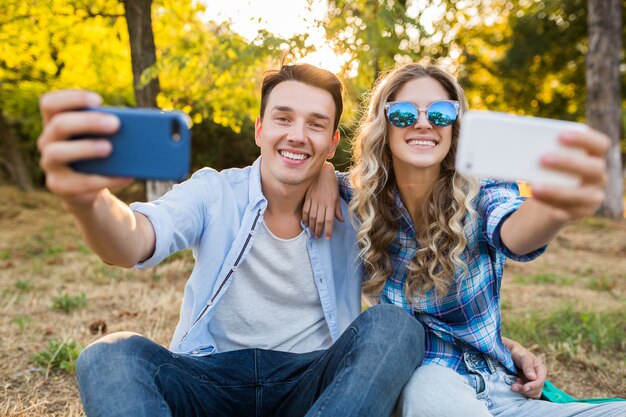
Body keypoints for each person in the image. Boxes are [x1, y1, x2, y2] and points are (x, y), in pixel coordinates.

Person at [37, 63, 427, 417]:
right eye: (283, 118)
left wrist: (327, 175)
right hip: (209, 381)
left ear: (331, 143)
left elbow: (421, 207)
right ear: (260, 128)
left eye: (315, 124)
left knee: (396, 326)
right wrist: (90, 202)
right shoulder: (214, 191)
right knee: (108, 356)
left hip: (312, 384)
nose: (296, 135)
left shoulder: (355, 206)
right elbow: (137, 237)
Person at [305, 63, 626, 417]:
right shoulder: (361, 197)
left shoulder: (483, 187)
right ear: (384, 124)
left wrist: (552, 207)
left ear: (456, 127)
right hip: (430, 387)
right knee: (426, 388)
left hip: (503, 387)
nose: (424, 123)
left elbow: (513, 232)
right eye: (403, 113)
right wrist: (321, 173)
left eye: (441, 113)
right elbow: (306, 167)